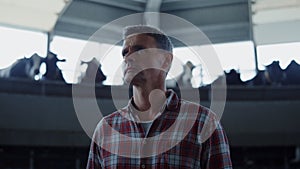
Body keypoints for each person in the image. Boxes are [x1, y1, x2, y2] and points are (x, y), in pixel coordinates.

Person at [86, 25, 232, 169]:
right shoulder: (105, 129)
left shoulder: (203, 123)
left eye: (139, 50)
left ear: (166, 61)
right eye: (125, 53)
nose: (128, 58)